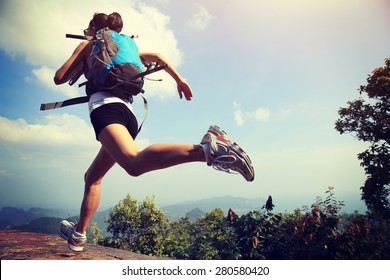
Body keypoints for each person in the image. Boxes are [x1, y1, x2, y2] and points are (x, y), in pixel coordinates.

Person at [54, 12, 254, 252]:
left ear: (95, 28)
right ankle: (78, 235)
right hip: (128, 115)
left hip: (106, 110)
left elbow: (59, 77)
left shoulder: (90, 45)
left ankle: (209, 150)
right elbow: (158, 57)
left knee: (133, 164)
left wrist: (82, 51)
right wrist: (180, 80)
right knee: (92, 177)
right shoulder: (126, 49)